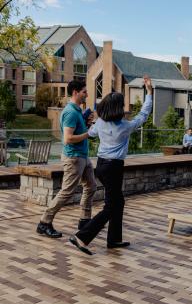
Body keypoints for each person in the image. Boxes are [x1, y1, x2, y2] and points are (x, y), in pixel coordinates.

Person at [69, 76, 153, 255]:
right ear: (118, 108)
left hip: (101, 166)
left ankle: (114, 239)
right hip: (114, 168)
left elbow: (90, 133)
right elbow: (144, 115)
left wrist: (89, 121)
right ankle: (82, 237)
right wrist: (149, 92)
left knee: (118, 202)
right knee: (111, 206)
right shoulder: (125, 126)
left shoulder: (100, 122)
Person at [36, 80, 96, 238]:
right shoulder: (70, 112)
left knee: (91, 186)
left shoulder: (77, 111)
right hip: (73, 157)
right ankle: (44, 222)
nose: (87, 95)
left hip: (83, 156)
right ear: (75, 92)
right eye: (84, 92)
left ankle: (84, 221)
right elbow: (68, 138)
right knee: (66, 192)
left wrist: (86, 125)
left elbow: (77, 131)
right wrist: (88, 134)